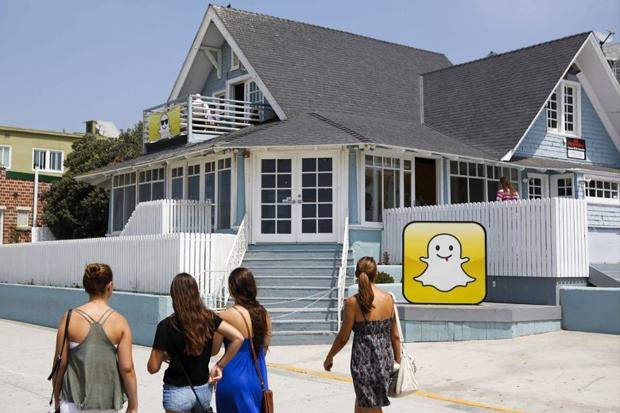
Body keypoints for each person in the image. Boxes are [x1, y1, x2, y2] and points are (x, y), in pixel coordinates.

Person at [148, 273, 243, 413]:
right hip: (202, 390)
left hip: (176, 392)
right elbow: (238, 337)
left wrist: (163, 356)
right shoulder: (209, 319)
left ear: (174, 296)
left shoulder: (165, 326)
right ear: (196, 293)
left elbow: (152, 368)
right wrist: (220, 365)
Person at [51, 263, 138, 413]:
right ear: (110, 286)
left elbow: (60, 364)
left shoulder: (69, 318)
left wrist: (57, 398)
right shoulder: (120, 322)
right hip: (106, 405)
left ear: (86, 286)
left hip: (72, 403)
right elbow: (127, 368)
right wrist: (133, 405)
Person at [324, 256, 401, 413]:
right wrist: (397, 361)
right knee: (363, 403)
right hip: (384, 360)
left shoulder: (353, 303)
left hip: (364, 362)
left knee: (370, 406)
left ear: (357, 274)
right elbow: (395, 336)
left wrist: (329, 357)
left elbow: (343, 337)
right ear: (376, 274)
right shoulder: (388, 299)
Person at [213, 267, 272, 413]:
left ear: (232, 288)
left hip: (233, 376)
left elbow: (213, 350)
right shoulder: (264, 314)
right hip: (258, 377)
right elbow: (264, 349)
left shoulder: (225, 316)